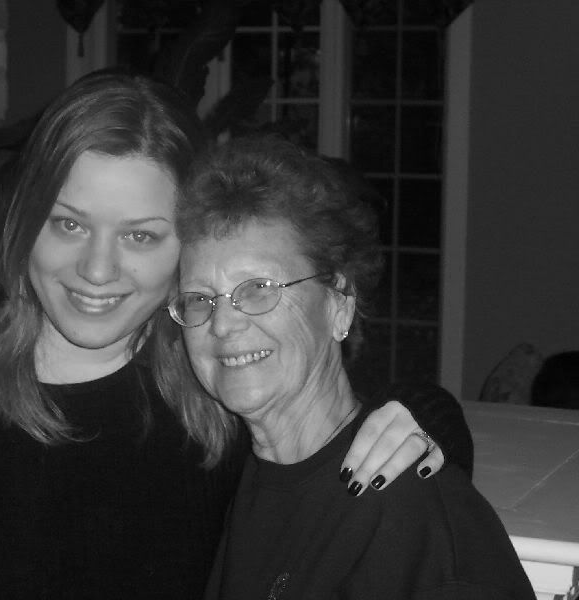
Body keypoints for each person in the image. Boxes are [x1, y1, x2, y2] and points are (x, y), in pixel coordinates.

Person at [0, 70, 470, 599]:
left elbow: (358, 416)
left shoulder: (216, 375)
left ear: (187, 248)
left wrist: (423, 424)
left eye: (140, 236)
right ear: (25, 219)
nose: (97, 269)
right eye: (69, 224)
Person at [157, 134, 535, 599]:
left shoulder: (411, 519)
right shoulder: (240, 483)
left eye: (258, 288)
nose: (222, 324)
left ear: (339, 303)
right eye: (199, 298)